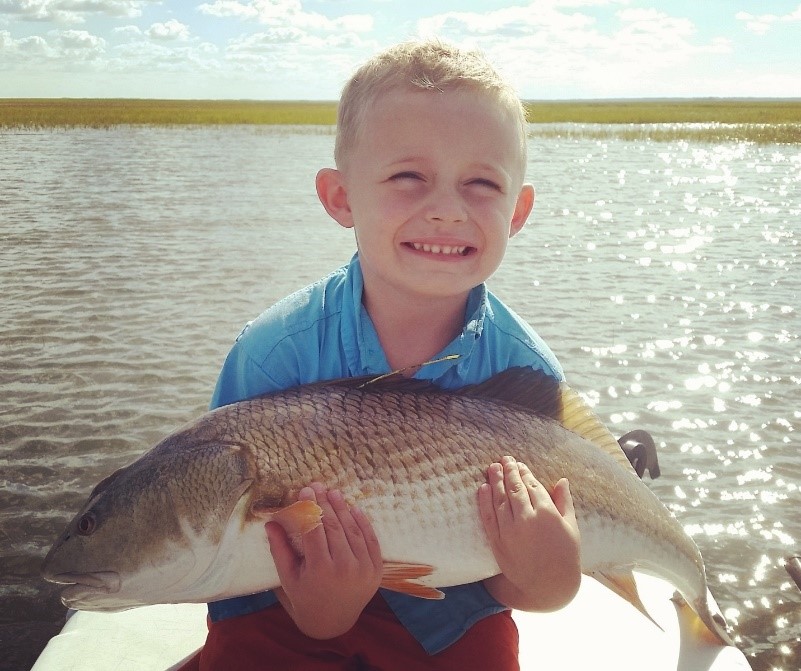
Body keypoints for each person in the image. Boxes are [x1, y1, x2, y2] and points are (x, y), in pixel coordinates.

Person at [180, 38, 581, 671]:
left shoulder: (527, 373)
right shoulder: (270, 354)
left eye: (482, 183)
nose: (447, 209)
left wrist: (551, 580)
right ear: (340, 197)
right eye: (407, 177)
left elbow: (524, 588)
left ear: (519, 209)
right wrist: (322, 609)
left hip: (455, 619)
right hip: (281, 612)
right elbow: (228, 553)